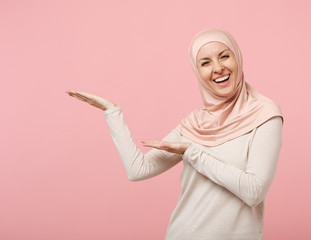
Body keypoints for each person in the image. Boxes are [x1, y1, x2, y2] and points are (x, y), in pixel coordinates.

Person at [66, 28, 283, 240]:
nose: (217, 68)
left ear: (238, 58)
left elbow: (253, 192)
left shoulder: (264, 115)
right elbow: (138, 170)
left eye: (224, 56)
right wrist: (112, 112)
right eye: (205, 63)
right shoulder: (195, 123)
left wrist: (192, 153)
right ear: (197, 72)